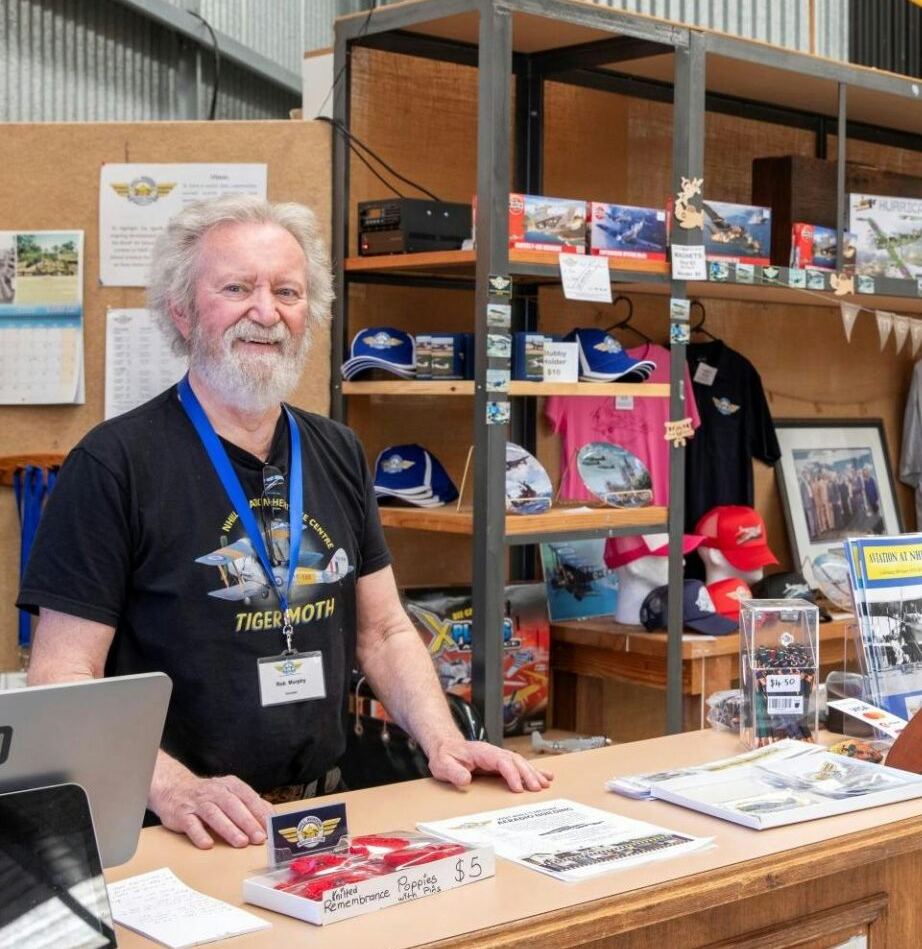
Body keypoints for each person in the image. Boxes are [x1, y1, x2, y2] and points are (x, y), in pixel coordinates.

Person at [18, 195, 552, 851]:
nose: (266, 312)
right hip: (178, 829)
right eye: (237, 288)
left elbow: (383, 633)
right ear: (182, 312)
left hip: (324, 812)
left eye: (287, 291)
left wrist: (446, 740)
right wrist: (174, 787)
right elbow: (62, 676)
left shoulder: (337, 451)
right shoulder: (113, 465)